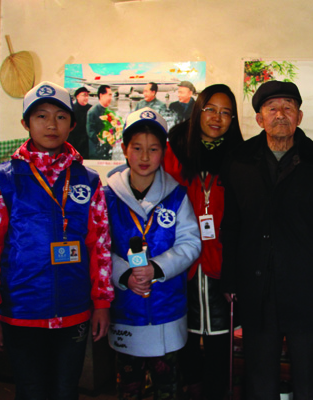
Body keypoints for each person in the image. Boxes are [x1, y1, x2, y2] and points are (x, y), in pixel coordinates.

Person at [220, 80, 313, 399]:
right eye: (272, 108)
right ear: (259, 118)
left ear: (300, 116)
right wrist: (230, 279)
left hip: (308, 293)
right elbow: (232, 226)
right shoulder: (239, 163)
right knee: (260, 379)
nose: (280, 114)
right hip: (256, 290)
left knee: (308, 382)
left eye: (288, 108)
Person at [0, 81, 113, 399]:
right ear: (26, 123)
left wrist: (101, 304)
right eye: (41, 116)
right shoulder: (3, 178)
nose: (51, 125)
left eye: (60, 117)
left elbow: (99, 245)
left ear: (72, 125)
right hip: (21, 309)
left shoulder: (88, 180)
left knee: (66, 390)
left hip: (74, 309)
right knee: (31, 390)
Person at [105, 107, 202, 399]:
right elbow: (99, 247)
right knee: (129, 387)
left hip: (166, 311)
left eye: (153, 149)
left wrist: (156, 268)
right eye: (137, 148)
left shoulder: (177, 196)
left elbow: (190, 243)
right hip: (126, 310)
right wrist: (124, 274)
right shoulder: (107, 197)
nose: (145, 157)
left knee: (167, 388)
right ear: (124, 149)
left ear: (163, 152)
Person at [164, 84, 244, 400]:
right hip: (180, 258)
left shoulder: (240, 157)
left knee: (219, 337)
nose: (216, 118)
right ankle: (193, 386)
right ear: (198, 110)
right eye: (210, 109)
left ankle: (215, 390)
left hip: (221, 260)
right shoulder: (175, 149)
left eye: (226, 112)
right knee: (181, 331)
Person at [87, 84, 122, 159]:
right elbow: (90, 131)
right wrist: (102, 141)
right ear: (101, 95)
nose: (111, 98)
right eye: (109, 95)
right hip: (96, 151)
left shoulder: (110, 112)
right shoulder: (93, 111)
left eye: (111, 95)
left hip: (107, 150)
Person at [67, 86, 91, 158]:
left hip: (87, 142)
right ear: (77, 97)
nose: (86, 98)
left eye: (87, 95)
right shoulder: (71, 109)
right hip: (74, 140)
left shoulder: (90, 109)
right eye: (84, 95)